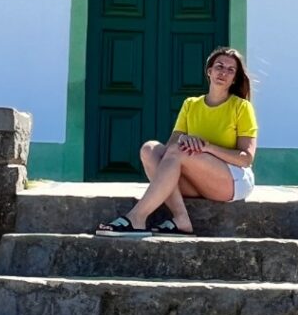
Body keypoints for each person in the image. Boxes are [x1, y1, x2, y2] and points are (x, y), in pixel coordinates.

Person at [96, 46, 258, 236]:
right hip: (198, 180)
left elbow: (246, 158)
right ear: (209, 71)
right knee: (150, 149)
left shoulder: (241, 107)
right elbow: (171, 148)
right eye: (219, 66)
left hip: (233, 181)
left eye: (231, 70)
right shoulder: (191, 104)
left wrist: (207, 147)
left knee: (179, 151)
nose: (223, 72)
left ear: (235, 78)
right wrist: (186, 139)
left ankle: (137, 217)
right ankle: (181, 218)